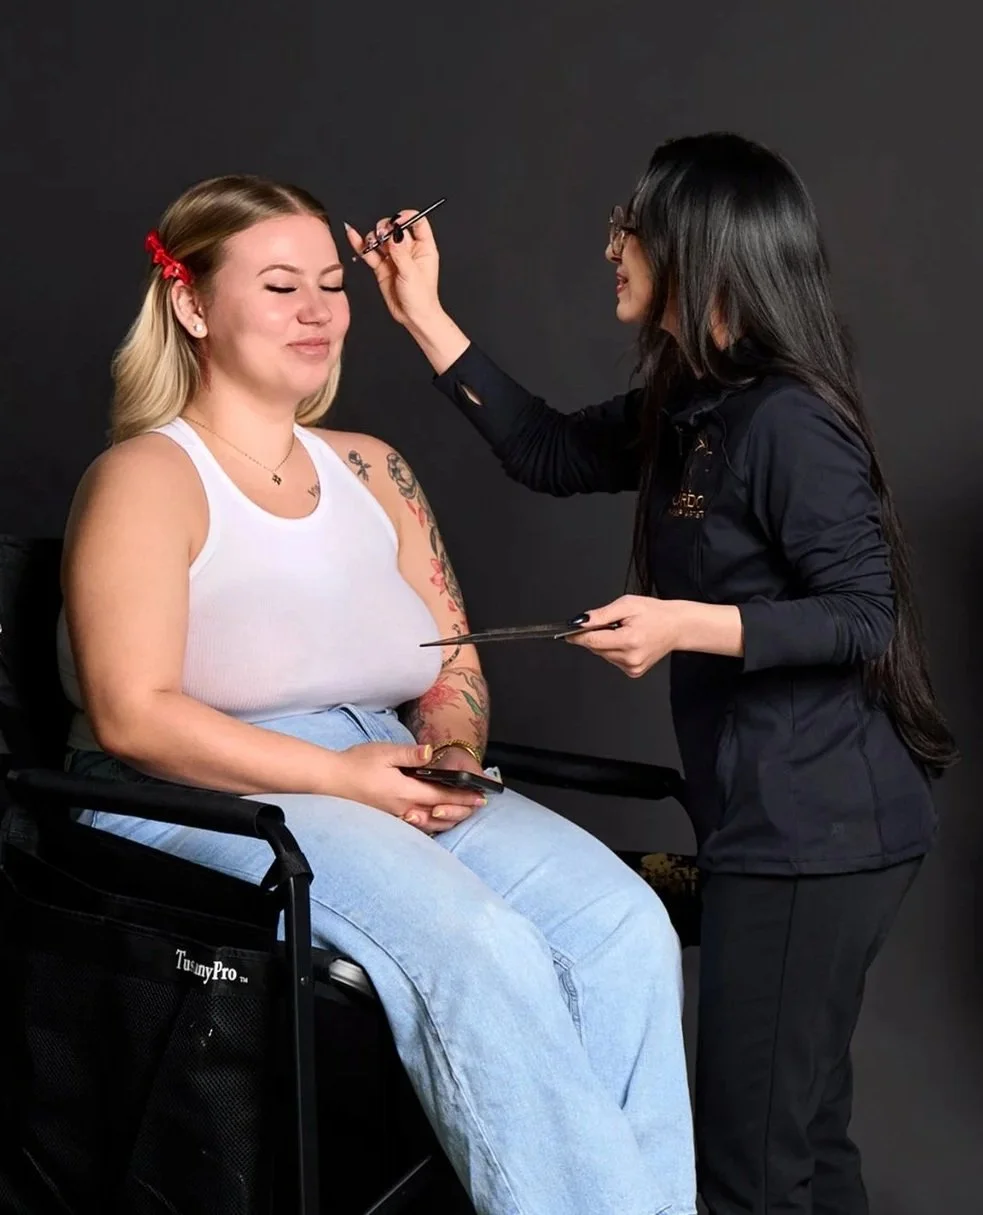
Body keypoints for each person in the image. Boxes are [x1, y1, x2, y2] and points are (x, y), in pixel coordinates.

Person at [60, 175, 695, 1215]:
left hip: (381, 765)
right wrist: (339, 780)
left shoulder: (373, 468)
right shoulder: (147, 476)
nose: (317, 311)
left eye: (329, 284)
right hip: (209, 787)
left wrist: (445, 755)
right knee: (478, 945)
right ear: (191, 303)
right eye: (278, 286)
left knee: (624, 923)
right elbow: (133, 714)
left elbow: (451, 661)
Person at [352, 132, 957, 1215]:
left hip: (819, 831)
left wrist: (684, 623)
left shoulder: (787, 421)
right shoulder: (694, 401)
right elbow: (547, 452)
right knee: (804, 1145)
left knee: (754, 1168)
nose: (609, 248)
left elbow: (867, 620)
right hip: (781, 820)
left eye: (629, 227)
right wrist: (422, 313)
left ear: (698, 245)